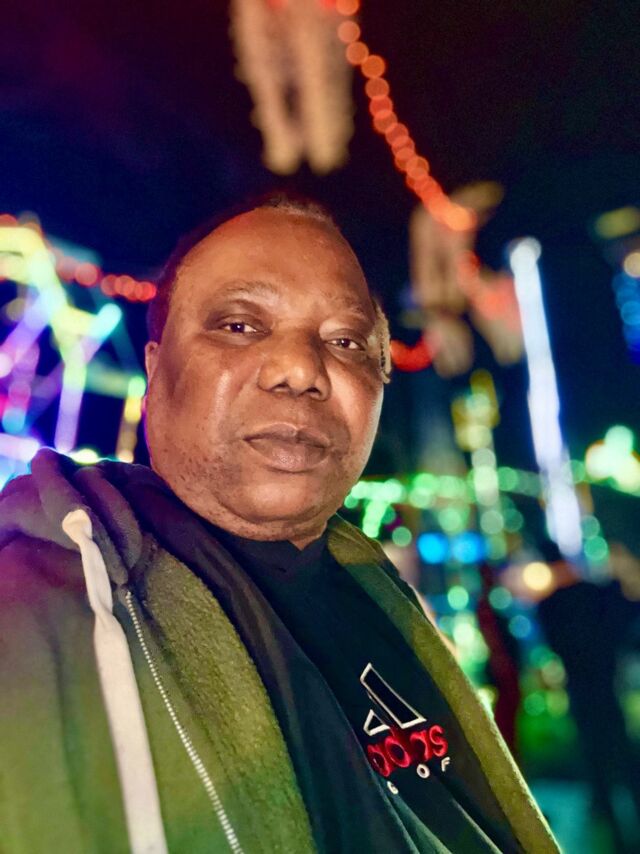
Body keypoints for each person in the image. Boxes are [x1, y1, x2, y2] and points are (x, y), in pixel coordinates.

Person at [0, 196, 558, 853]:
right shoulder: (36, 613)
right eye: (239, 325)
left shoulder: (379, 596)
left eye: (345, 341)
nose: (301, 369)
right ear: (154, 370)